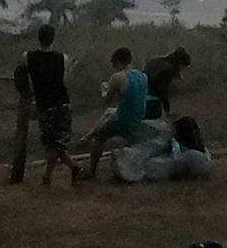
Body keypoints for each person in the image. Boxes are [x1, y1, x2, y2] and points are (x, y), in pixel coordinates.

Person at [21, 24, 83, 185]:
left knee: (52, 144)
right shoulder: (63, 58)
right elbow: (63, 80)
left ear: (38, 38)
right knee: (58, 144)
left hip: (45, 106)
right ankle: (55, 174)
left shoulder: (28, 56)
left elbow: (25, 78)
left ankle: (63, 171)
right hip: (63, 103)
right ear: (53, 39)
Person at [83, 47, 149, 179]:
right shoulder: (143, 76)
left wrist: (103, 89)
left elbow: (106, 100)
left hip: (124, 121)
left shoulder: (117, 77)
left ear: (118, 61)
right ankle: (87, 136)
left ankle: (92, 172)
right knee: (110, 112)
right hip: (139, 117)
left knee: (100, 136)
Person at [143, 46, 191, 121]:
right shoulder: (168, 70)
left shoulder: (156, 61)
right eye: (184, 67)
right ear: (180, 63)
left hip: (140, 98)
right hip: (150, 104)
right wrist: (167, 111)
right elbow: (163, 91)